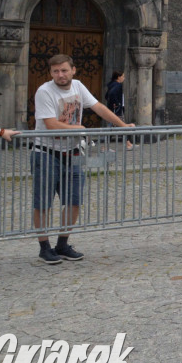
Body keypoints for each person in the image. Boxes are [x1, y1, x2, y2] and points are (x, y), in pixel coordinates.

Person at [32, 54, 134, 265]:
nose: (60, 75)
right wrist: (77, 128)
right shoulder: (44, 91)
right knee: (43, 204)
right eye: (55, 71)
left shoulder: (78, 86)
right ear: (51, 73)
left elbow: (99, 108)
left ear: (73, 70)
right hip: (46, 153)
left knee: (74, 201)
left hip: (72, 153)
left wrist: (123, 126)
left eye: (64, 70)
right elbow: (50, 124)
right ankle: (44, 247)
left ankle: (62, 244)